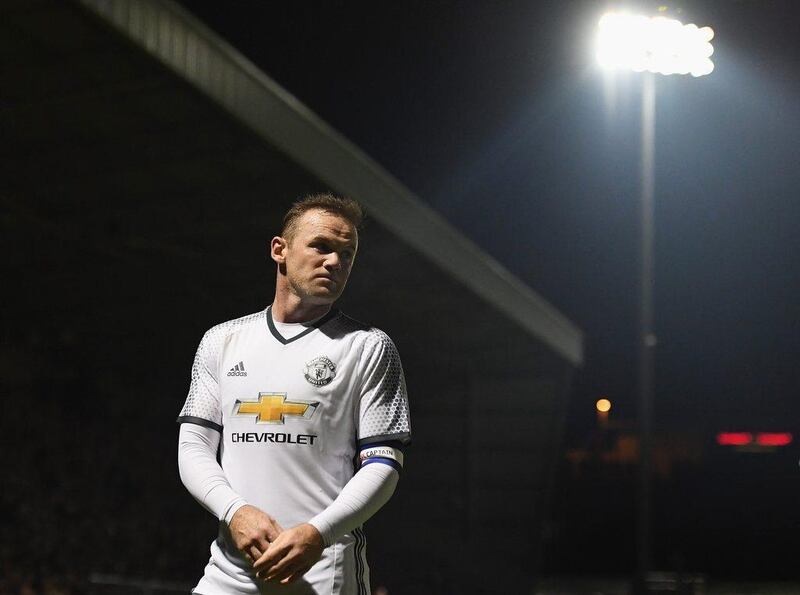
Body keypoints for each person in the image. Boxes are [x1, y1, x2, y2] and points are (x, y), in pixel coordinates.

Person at [177, 194, 411, 595]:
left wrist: (318, 533)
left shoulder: (369, 347)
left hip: (323, 576)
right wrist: (235, 512)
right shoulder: (222, 341)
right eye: (322, 246)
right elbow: (194, 445)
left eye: (347, 253)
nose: (335, 262)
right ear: (279, 250)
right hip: (229, 576)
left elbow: (383, 465)